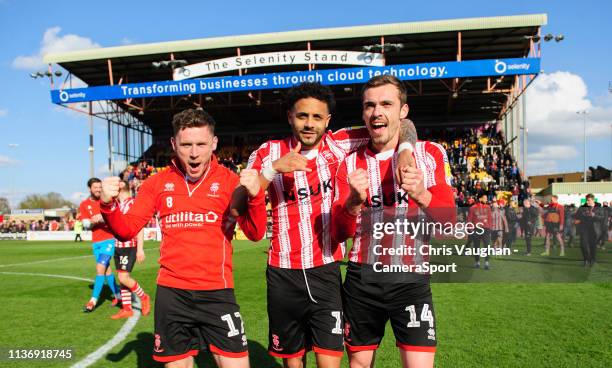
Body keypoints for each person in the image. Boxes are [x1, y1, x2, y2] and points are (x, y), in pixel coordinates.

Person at [244, 82, 415, 368]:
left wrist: (406, 148)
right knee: (292, 361)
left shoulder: (341, 143)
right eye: (302, 116)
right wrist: (273, 169)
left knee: (330, 359)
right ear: (290, 116)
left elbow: (402, 122)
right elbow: (245, 192)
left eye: (317, 117)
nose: (309, 124)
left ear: (328, 121)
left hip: (326, 268)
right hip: (282, 271)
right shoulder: (268, 151)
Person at [100, 109, 267, 367]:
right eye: (186, 144)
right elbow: (126, 229)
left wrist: (256, 197)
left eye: (201, 144)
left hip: (217, 292)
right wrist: (108, 206)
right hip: (172, 294)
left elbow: (255, 234)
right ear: (173, 144)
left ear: (214, 143)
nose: (194, 153)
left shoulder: (230, 181)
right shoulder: (156, 184)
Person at [332, 75, 455, 368]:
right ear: (363, 113)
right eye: (369, 105)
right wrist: (352, 203)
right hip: (362, 280)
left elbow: (450, 226)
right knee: (359, 365)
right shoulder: (348, 162)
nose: (377, 112)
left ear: (403, 110)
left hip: (411, 279)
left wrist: (422, 193)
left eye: (386, 104)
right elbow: (337, 233)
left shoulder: (430, 154)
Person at [110, 180, 151, 320]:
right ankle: (127, 309)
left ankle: (144, 297)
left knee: (123, 277)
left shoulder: (132, 204)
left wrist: (140, 249)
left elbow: (139, 227)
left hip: (129, 246)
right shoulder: (119, 205)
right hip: (119, 246)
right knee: (122, 278)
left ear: (121, 187)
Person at [79, 177, 121, 312]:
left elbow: (117, 217)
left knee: (100, 268)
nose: (98, 189)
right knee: (107, 270)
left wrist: (103, 218)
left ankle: (93, 300)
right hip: (96, 242)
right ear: (90, 189)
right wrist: (92, 222)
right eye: (95, 187)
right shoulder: (84, 204)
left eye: (100, 187)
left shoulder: (107, 201)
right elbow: (86, 225)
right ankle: (118, 295)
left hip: (109, 240)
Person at [575, 194, 604, 267]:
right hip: (584, 228)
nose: (587, 202)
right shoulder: (582, 207)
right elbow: (576, 216)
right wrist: (584, 214)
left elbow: (602, 218)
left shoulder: (599, 208)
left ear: (593, 200)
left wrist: (594, 215)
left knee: (593, 246)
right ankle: (586, 260)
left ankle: (593, 260)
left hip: (594, 229)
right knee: (583, 245)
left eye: (589, 200)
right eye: (586, 200)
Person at [467, 194, 492, 269]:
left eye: (486, 198)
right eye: (485, 198)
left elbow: (490, 218)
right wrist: (470, 228)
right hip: (476, 229)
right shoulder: (473, 208)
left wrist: (490, 227)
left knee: (487, 246)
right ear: (480, 199)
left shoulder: (488, 207)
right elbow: (469, 219)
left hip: (486, 229)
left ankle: (486, 262)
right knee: (476, 246)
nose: (486, 200)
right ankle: (477, 262)